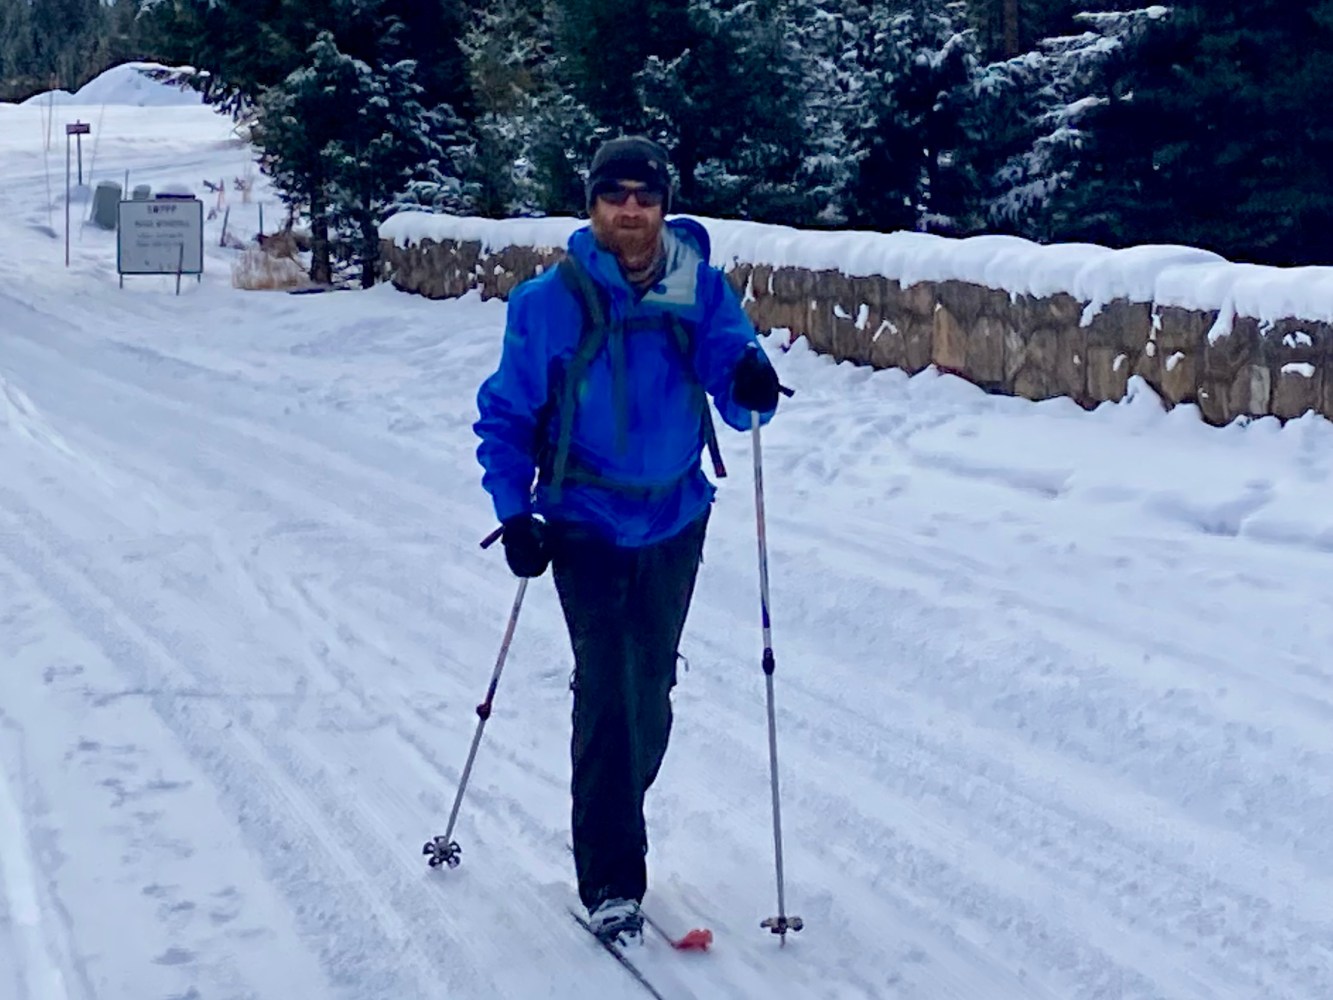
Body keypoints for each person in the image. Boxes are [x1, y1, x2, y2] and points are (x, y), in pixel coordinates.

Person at [473, 135, 782, 943]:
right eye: (616, 196)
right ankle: (612, 874)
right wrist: (515, 511)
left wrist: (753, 384)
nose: (632, 210)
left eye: (646, 196)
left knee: (649, 692)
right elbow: (506, 415)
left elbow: (739, 385)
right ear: (593, 207)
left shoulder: (698, 289)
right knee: (607, 687)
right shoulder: (549, 303)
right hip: (584, 520)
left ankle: (613, 802)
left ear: (664, 205)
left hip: (677, 514)